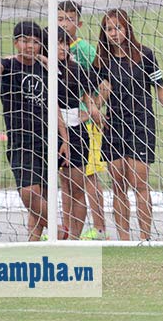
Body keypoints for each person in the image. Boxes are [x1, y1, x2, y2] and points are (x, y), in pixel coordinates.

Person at [93, 9, 163, 241]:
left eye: (118, 28)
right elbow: (94, 97)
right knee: (118, 184)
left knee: (139, 182)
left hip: (141, 125)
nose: (114, 33)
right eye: (109, 29)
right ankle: (123, 239)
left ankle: (145, 237)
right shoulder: (101, 60)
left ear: (127, 29)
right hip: (113, 127)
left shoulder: (145, 55)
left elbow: (160, 88)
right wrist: (95, 111)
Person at [0, 21, 70, 241]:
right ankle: (57, 229)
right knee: (29, 193)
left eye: (36, 42)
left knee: (43, 196)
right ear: (16, 43)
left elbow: (54, 104)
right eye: (25, 41)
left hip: (48, 140)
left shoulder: (45, 68)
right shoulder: (9, 66)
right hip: (21, 141)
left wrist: (64, 138)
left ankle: (34, 246)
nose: (30, 46)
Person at [58, 0, 109, 240]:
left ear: (78, 23)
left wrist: (92, 110)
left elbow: (104, 83)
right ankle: (68, 228)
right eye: (59, 19)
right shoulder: (50, 51)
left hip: (86, 126)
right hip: (63, 125)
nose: (63, 24)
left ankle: (99, 229)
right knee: (66, 179)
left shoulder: (86, 51)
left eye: (68, 19)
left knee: (89, 176)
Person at [50, 26, 102, 240]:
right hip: (50, 132)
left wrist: (92, 114)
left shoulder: (78, 70)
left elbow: (89, 99)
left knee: (77, 185)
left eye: (65, 43)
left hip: (76, 133)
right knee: (63, 185)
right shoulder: (42, 69)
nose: (62, 48)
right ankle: (62, 230)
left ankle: (74, 237)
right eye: (57, 43)